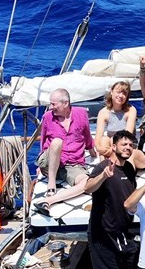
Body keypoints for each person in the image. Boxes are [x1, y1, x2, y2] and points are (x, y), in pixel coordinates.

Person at [84, 129, 141, 269]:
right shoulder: (103, 167)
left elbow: (130, 197)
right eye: (124, 144)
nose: (128, 148)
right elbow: (87, 188)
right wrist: (103, 176)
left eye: (131, 145)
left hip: (124, 231)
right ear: (114, 146)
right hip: (104, 234)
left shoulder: (129, 169)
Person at [34, 88, 98, 216]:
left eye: (54, 104)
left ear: (65, 103)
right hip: (50, 162)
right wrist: (41, 165)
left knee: (87, 183)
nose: (51, 107)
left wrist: (93, 152)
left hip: (73, 164)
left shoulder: (81, 114)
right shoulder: (47, 117)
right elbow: (43, 141)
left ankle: (48, 201)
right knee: (57, 142)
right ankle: (51, 185)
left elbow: (87, 136)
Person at [94, 81, 138, 159]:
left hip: (126, 143)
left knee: (112, 139)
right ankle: (104, 164)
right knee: (104, 140)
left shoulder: (131, 110)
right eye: (118, 92)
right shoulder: (103, 112)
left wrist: (112, 148)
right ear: (112, 92)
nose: (121, 96)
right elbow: (98, 138)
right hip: (110, 145)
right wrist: (100, 148)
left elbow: (128, 135)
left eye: (124, 94)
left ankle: (113, 163)